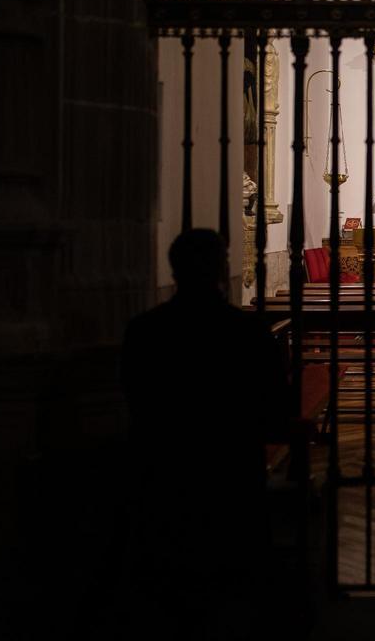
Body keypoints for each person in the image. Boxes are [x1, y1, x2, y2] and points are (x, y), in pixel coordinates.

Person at [120, 229, 289, 637]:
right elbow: (275, 410)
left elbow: (134, 401)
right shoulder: (248, 332)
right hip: (234, 471)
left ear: (174, 269)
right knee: (236, 584)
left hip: (165, 473)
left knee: (171, 591)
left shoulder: (144, 331)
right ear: (222, 267)